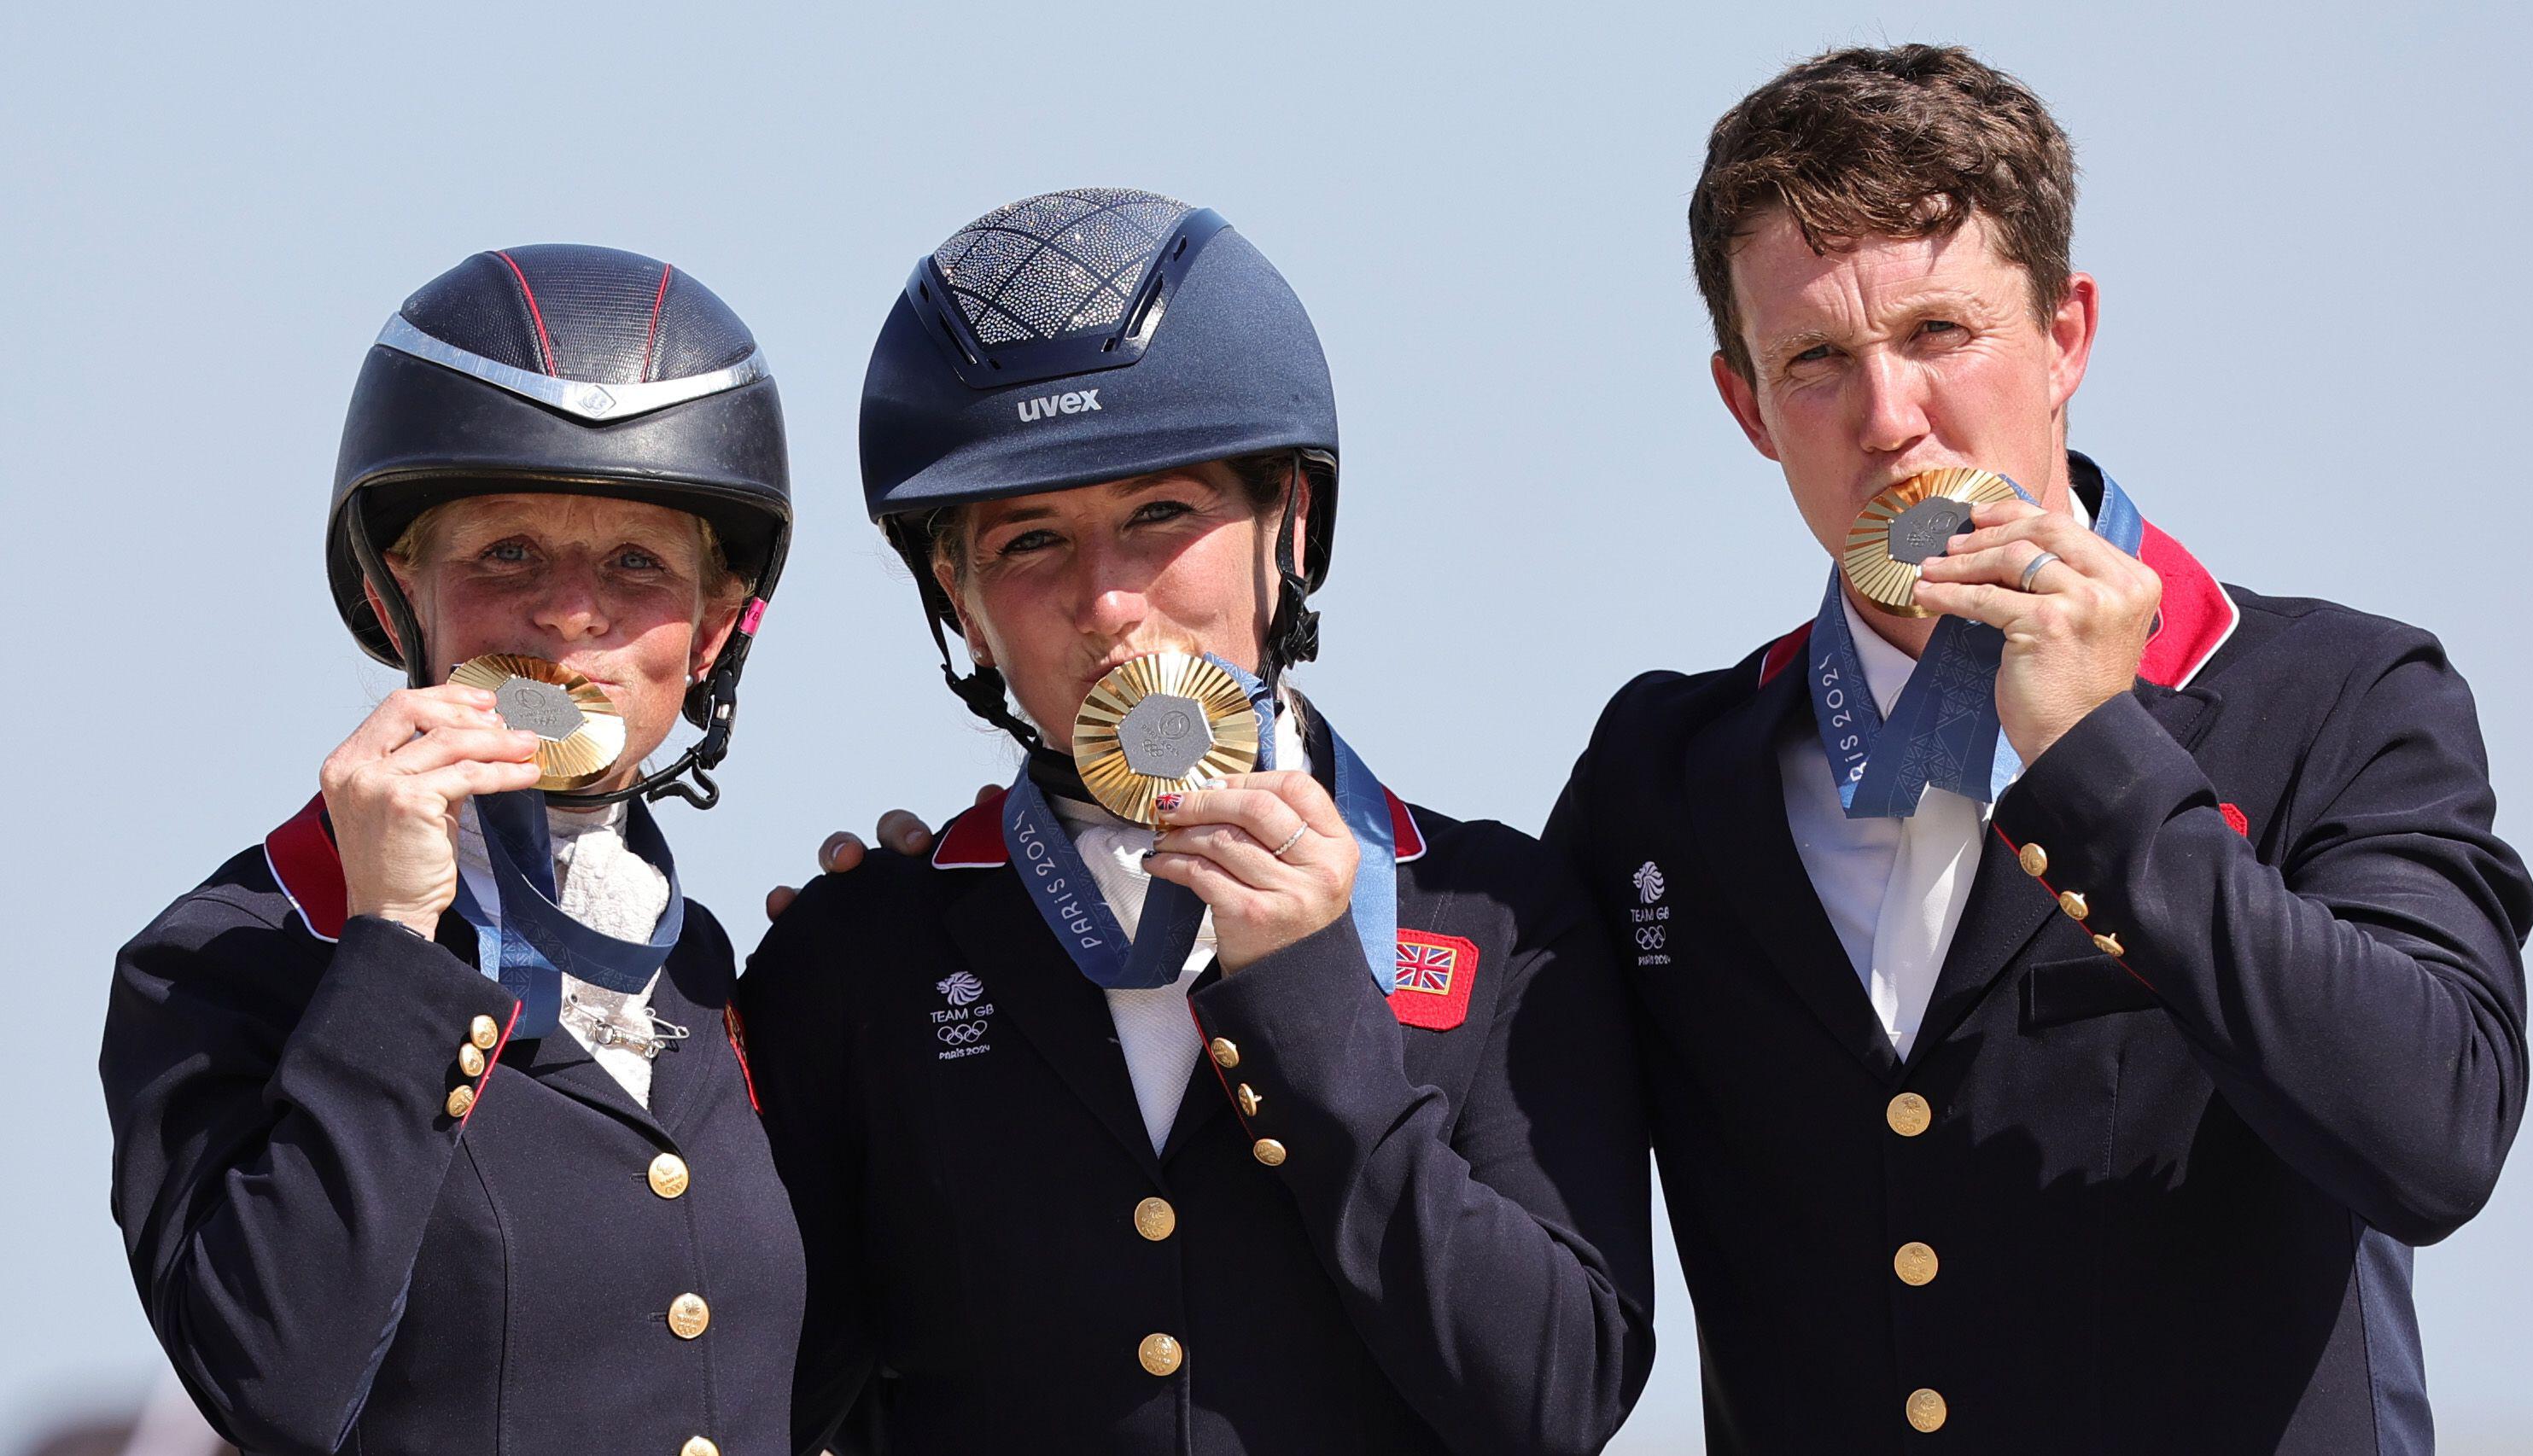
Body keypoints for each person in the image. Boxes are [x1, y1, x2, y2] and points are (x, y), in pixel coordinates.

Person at [1544, 46, 2533, 1453]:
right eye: (1816, 359)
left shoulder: (2336, 694)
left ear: (2066, 335)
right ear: (1745, 406)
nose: (1887, 420)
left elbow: (2434, 1135)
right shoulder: (1660, 776)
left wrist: (2098, 758)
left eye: (1940, 333)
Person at [740, 188, 1653, 1456]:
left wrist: (1313, 1006)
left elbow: (1556, 1394)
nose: (1105, 602)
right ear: (954, 596)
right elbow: (741, 1398)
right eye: (1029, 541)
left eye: (1161, 515)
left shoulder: (1498, 908)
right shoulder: (857, 953)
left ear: (1291, 519)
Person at [100, 246, 804, 1456]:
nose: (569, 615)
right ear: (394, 599)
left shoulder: (706, 962)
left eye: (635, 564)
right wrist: (388, 944)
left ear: (712, 634)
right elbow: (273, 1381)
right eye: (507, 556)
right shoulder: (226, 957)